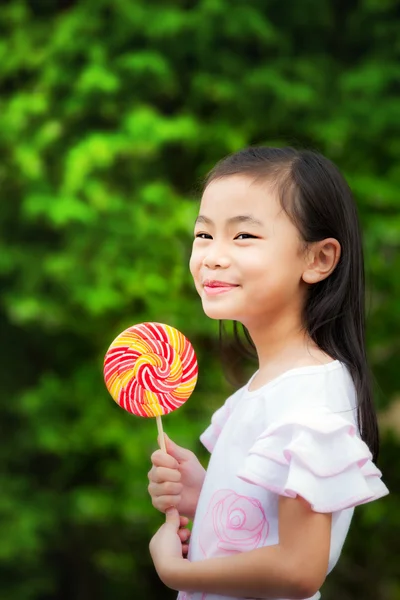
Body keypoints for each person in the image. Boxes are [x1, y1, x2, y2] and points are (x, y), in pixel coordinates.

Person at [147, 147, 389, 600]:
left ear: (318, 260)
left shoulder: (309, 402)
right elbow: (268, 528)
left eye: (243, 237)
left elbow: (299, 569)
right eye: (203, 234)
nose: (213, 257)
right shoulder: (271, 384)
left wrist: (177, 572)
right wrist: (204, 494)